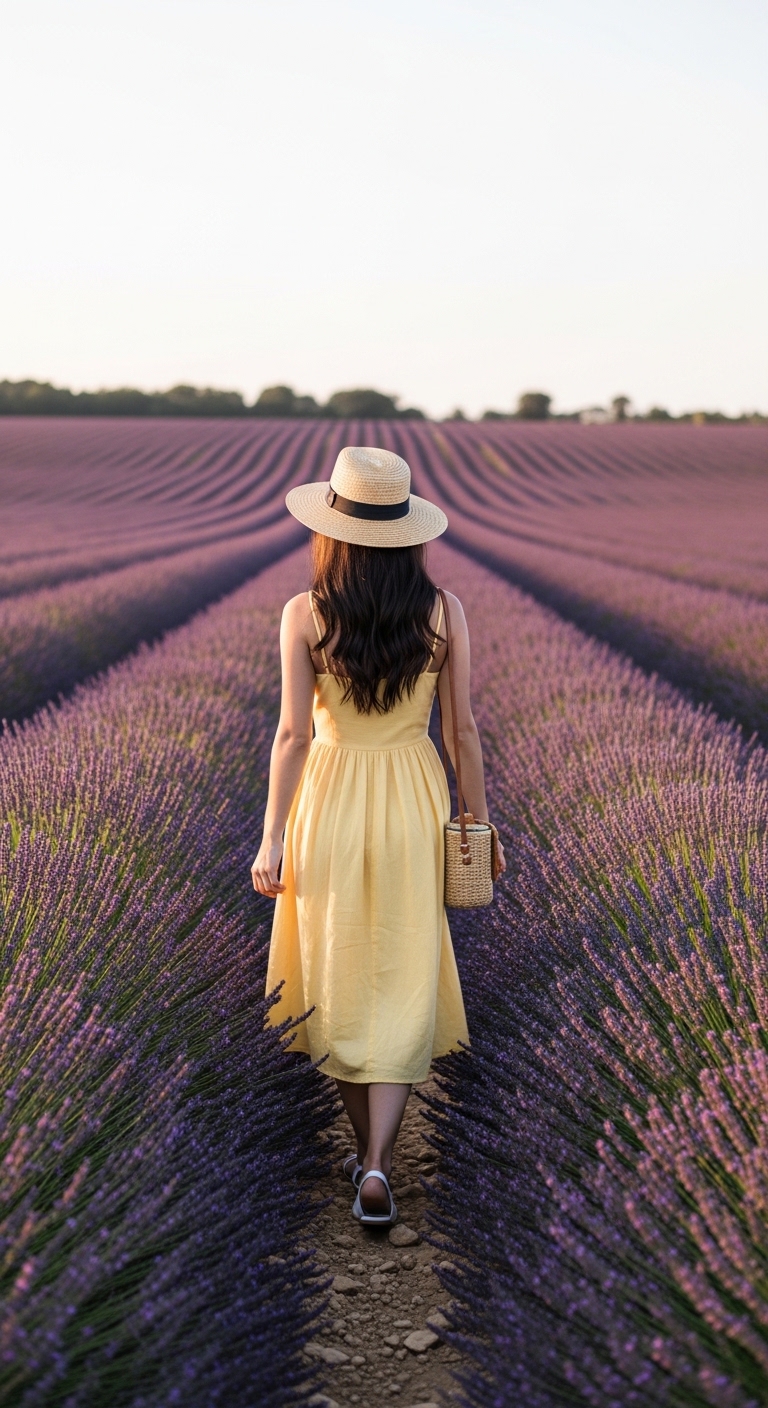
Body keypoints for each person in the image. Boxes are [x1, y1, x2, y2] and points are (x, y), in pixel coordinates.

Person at [251, 446, 504, 1225]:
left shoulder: (304, 612)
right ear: (408, 533)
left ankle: (366, 1155)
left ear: (330, 530)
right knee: (400, 965)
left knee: (337, 970)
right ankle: (378, 1161)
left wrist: (270, 839)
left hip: (327, 800)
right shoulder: (443, 611)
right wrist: (478, 820)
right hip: (411, 797)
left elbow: (293, 736)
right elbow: (462, 731)